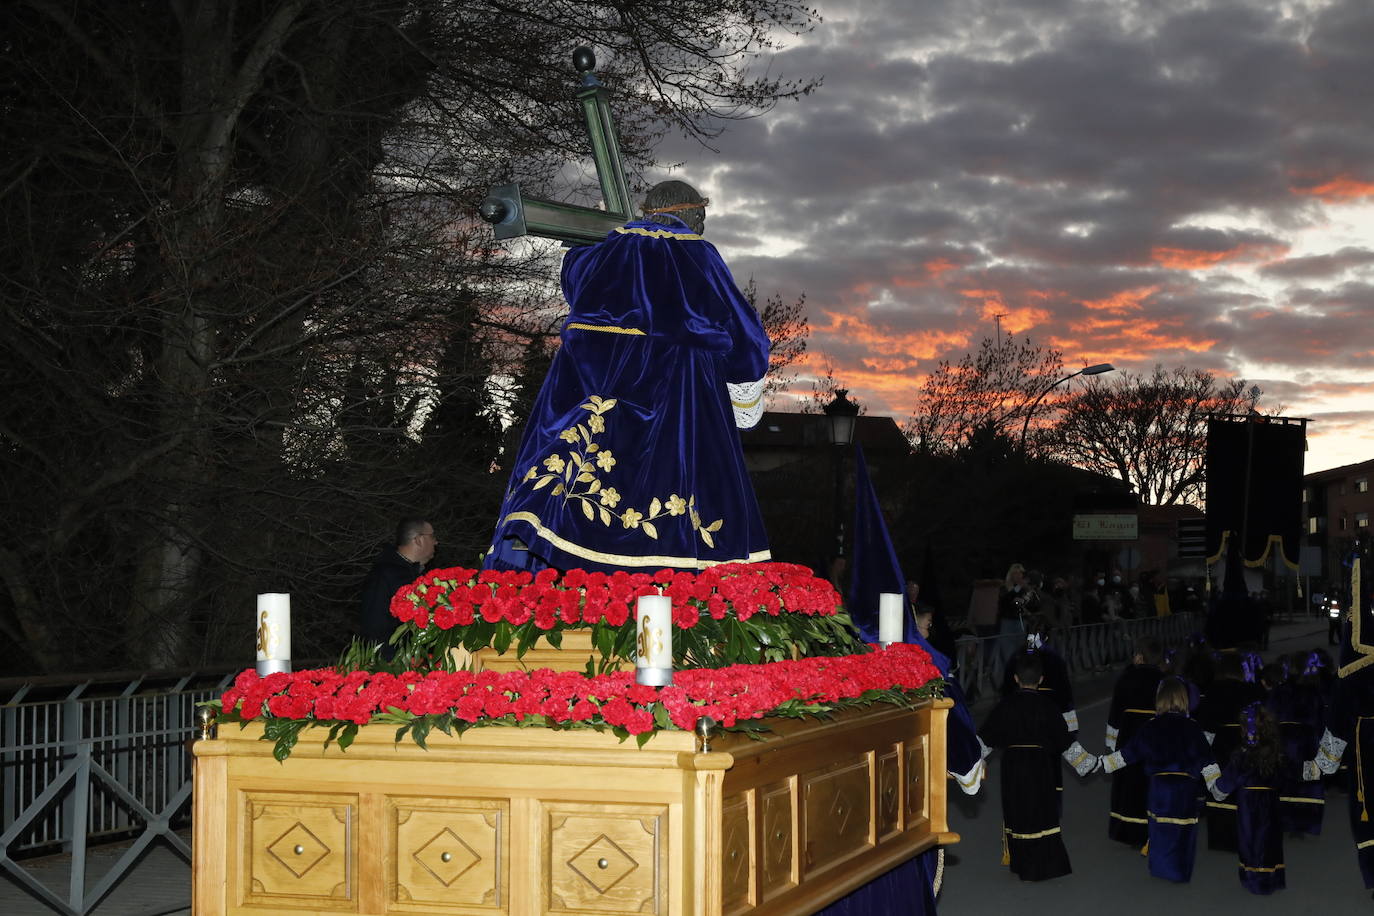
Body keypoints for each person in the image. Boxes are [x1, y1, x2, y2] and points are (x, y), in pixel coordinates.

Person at [482, 180, 771, 574]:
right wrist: (745, 395)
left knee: (570, 482)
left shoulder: (603, 251)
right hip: (679, 393)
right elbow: (745, 332)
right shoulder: (697, 254)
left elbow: (574, 273)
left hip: (595, 387)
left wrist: (587, 239)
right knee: (679, 485)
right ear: (695, 214)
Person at [979, 651, 1097, 881]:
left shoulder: (1005, 706)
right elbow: (1065, 741)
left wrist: (961, 763)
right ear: (1041, 679)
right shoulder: (1048, 706)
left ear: (1015, 678)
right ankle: (1045, 863)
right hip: (1041, 767)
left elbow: (984, 740)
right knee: (1042, 811)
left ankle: (1022, 862)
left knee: (1018, 811)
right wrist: (1090, 764)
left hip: (1013, 767)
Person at [1100, 677, 1222, 883]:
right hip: (1185, 788)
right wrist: (1217, 787)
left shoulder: (1151, 726)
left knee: (1158, 826)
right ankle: (1180, 870)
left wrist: (1100, 764)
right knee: (1184, 829)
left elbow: (1128, 754)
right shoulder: (1192, 728)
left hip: (1158, 787)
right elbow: (1207, 760)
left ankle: (1160, 867)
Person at [1215, 702, 1291, 895]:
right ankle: (1272, 878)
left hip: (1249, 804)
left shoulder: (1242, 756)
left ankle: (1255, 880)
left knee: (1250, 841)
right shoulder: (1277, 754)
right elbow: (1286, 778)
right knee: (1271, 839)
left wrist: (1214, 785)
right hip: (1272, 802)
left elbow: (1223, 787)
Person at [1197, 651, 1267, 851]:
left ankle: (1222, 838)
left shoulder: (1213, 691)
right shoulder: (1253, 690)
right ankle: (1250, 834)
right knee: (1247, 788)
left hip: (1220, 745)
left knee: (1219, 786)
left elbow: (1206, 722)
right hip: (1247, 744)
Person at [1104, 636, 1164, 846]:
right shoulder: (1164, 680)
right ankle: (1152, 827)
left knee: (1128, 782)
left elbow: (1115, 712)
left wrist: (1112, 744)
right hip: (1156, 735)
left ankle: (1127, 828)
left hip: (1129, 733)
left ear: (1139, 656)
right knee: (1151, 780)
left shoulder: (1127, 678)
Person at [359, 518, 437, 651]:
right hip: (394, 664)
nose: (436, 541)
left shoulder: (418, 574)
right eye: (432, 536)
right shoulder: (384, 574)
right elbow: (374, 627)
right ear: (418, 540)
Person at [1000, 614, 1079, 734]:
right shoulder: (1054, 659)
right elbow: (1065, 696)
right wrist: (1072, 730)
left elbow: (1006, 692)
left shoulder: (1016, 658)